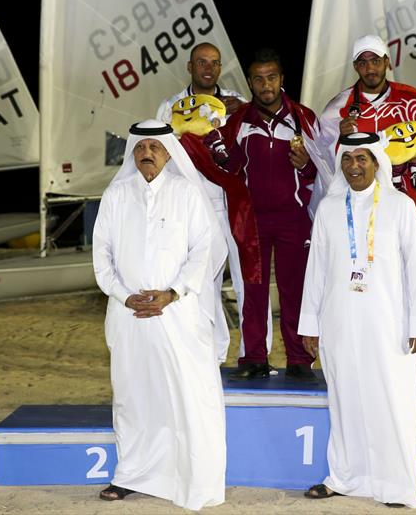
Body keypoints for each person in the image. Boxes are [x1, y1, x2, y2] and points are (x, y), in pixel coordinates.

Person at [92, 120, 227, 509]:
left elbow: (204, 250)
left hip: (178, 314)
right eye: (140, 147)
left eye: (155, 146)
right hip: (128, 314)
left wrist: (172, 293)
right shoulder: (116, 194)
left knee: (184, 395)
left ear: (169, 152)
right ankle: (131, 474)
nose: (147, 153)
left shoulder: (187, 193)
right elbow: (101, 253)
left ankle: (190, 479)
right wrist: (123, 294)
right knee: (133, 396)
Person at [298, 132, 416, 507]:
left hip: (389, 321)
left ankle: (396, 484)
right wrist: (310, 323)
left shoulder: (400, 205)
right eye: (348, 159)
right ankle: (343, 476)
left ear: (376, 163)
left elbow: (415, 268)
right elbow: (317, 269)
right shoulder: (328, 207)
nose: (354, 166)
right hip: (339, 318)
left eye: (362, 159)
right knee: (344, 397)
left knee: (390, 397)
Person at [217, 49, 326, 381]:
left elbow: (323, 170)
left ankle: (298, 358)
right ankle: (254, 357)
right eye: (259, 79)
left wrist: (305, 165)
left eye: (272, 77)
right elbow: (228, 168)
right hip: (254, 220)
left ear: (282, 79)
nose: (266, 85)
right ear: (250, 82)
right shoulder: (237, 122)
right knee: (254, 289)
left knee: (296, 289)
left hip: (295, 217)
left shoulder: (303, 117)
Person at [314, 34, 416, 263]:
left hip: (400, 204)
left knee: (402, 266)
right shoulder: (337, 109)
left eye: (376, 61)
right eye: (363, 63)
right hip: (356, 207)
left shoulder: (413, 102)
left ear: (387, 62)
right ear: (355, 66)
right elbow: (323, 163)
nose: (370, 68)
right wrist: (340, 138)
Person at [156, 42, 252, 362]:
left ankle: (253, 354)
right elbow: (161, 157)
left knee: (246, 279)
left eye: (213, 63)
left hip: (237, 204)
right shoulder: (170, 107)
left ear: (220, 68)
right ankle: (213, 354)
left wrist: (244, 113)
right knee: (202, 279)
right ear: (189, 67)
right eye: (201, 62)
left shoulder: (237, 104)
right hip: (196, 205)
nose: (208, 68)